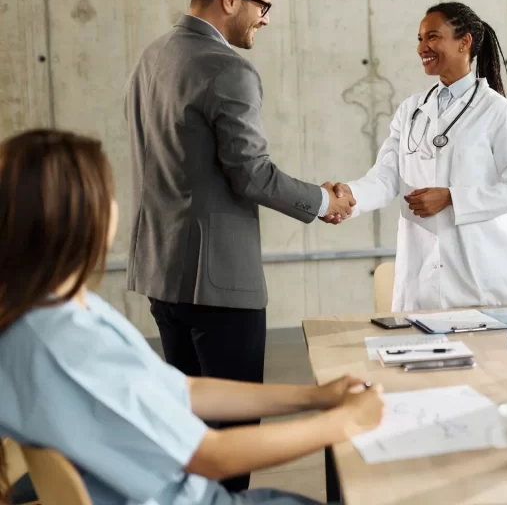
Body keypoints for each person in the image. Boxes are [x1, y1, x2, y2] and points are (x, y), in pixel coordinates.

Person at [0, 129, 383, 505]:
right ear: (79, 217)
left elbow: (182, 391)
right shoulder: (66, 341)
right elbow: (210, 456)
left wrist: (314, 397)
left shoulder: (49, 309)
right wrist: (342, 421)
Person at [122, 0, 354, 492]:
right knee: (232, 441)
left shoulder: (152, 57)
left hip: (162, 272)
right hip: (221, 285)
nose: (265, 20)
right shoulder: (229, 69)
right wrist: (323, 202)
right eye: (262, 6)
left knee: (186, 431)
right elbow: (250, 173)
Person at [341, 2, 507, 312]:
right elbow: (386, 177)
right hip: (421, 273)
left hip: (479, 275)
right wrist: (346, 197)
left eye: (432, 37)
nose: (422, 47)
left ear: (464, 42)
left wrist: (452, 198)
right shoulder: (411, 110)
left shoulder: (497, 112)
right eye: (419, 39)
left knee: (486, 357)